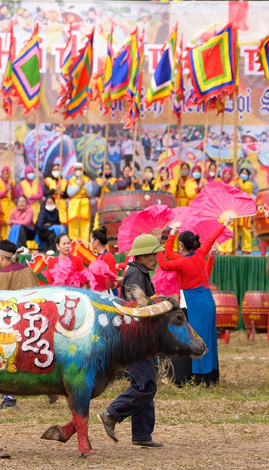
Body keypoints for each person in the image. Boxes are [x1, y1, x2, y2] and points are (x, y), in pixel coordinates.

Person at [98, 233, 166, 448]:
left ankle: (142, 434)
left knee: (144, 383)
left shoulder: (140, 273)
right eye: (154, 254)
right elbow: (138, 310)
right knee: (146, 386)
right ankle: (112, 413)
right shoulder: (136, 276)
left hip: (140, 338)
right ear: (143, 256)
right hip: (136, 339)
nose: (157, 258)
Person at [158, 222, 228, 386]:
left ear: (181, 245)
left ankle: (200, 378)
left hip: (197, 304)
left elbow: (164, 263)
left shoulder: (183, 262)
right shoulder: (199, 254)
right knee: (208, 339)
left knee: (198, 340)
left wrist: (159, 242)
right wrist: (225, 223)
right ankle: (211, 376)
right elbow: (211, 239)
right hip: (207, 300)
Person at [0, 239, 41, 410]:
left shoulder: (1, 275)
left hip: (12, 326)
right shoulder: (28, 270)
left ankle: (8, 398)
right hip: (34, 322)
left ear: (0, 257)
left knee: (4, 359)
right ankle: (51, 390)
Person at [66, 163, 92, 244]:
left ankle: (84, 245)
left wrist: (85, 185)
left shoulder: (87, 180)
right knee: (73, 226)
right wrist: (78, 187)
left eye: (80, 169)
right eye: (77, 169)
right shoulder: (71, 181)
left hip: (84, 205)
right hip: (74, 206)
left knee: (84, 227)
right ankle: (73, 245)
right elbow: (69, 193)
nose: (78, 171)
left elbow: (90, 193)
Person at [90, 226, 121, 292]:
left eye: (91, 240)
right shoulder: (99, 256)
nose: (90, 242)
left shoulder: (108, 257)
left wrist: (112, 284)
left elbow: (116, 279)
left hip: (109, 294)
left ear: (96, 241)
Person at [0, 166, 17, 239]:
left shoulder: (12, 182)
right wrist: (6, 189)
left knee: (10, 222)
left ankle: (10, 239)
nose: (6, 176)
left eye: (7, 174)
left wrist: (12, 188)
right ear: (2, 174)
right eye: (4, 174)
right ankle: (1, 239)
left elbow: (15, 196)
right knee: (2, 223)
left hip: (11, 204)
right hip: (2, 204)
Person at [235, 168, 254, 254]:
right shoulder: (235, 182)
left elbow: (244, 188)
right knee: (236, 228)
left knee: (245, 229)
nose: (244, 174)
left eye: (246, 173)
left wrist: (238, 180)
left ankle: (246, 248)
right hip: (236, 207)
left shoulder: (249, 184)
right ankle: (234, 247)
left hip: (245, 208)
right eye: (242, 173)